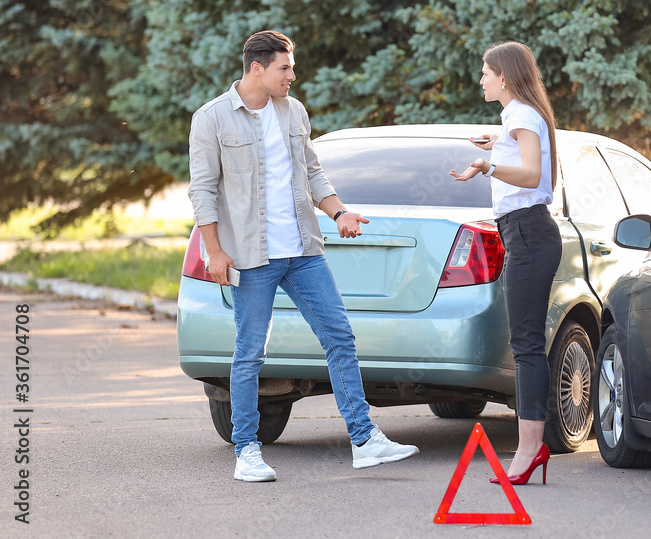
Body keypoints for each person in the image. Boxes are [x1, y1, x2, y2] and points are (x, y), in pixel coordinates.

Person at [188, 30, 418, 482]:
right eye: (284, 68)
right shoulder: (212, 119)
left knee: (340, 338)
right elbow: (203, 190)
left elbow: (312, 171)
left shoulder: (293, 112)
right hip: (251, 257)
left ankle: (364, 439)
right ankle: (247, 451)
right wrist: (213, 252)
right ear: (257, 68)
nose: (292, 76)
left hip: (303, 250)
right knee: (250, 353)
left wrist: (339, 212)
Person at [450, 41, 562, 485]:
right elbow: (523, 153)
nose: (481, 79)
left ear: (505, 76)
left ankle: (530, 450)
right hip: (523, 231)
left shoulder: (522, 114)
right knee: (526, 343)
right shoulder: (517, 117)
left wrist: (486, 165)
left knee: (528, 345)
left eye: (485, 72)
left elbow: (532, 174)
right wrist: (494, 145)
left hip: (530, 233)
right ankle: (532, 448)